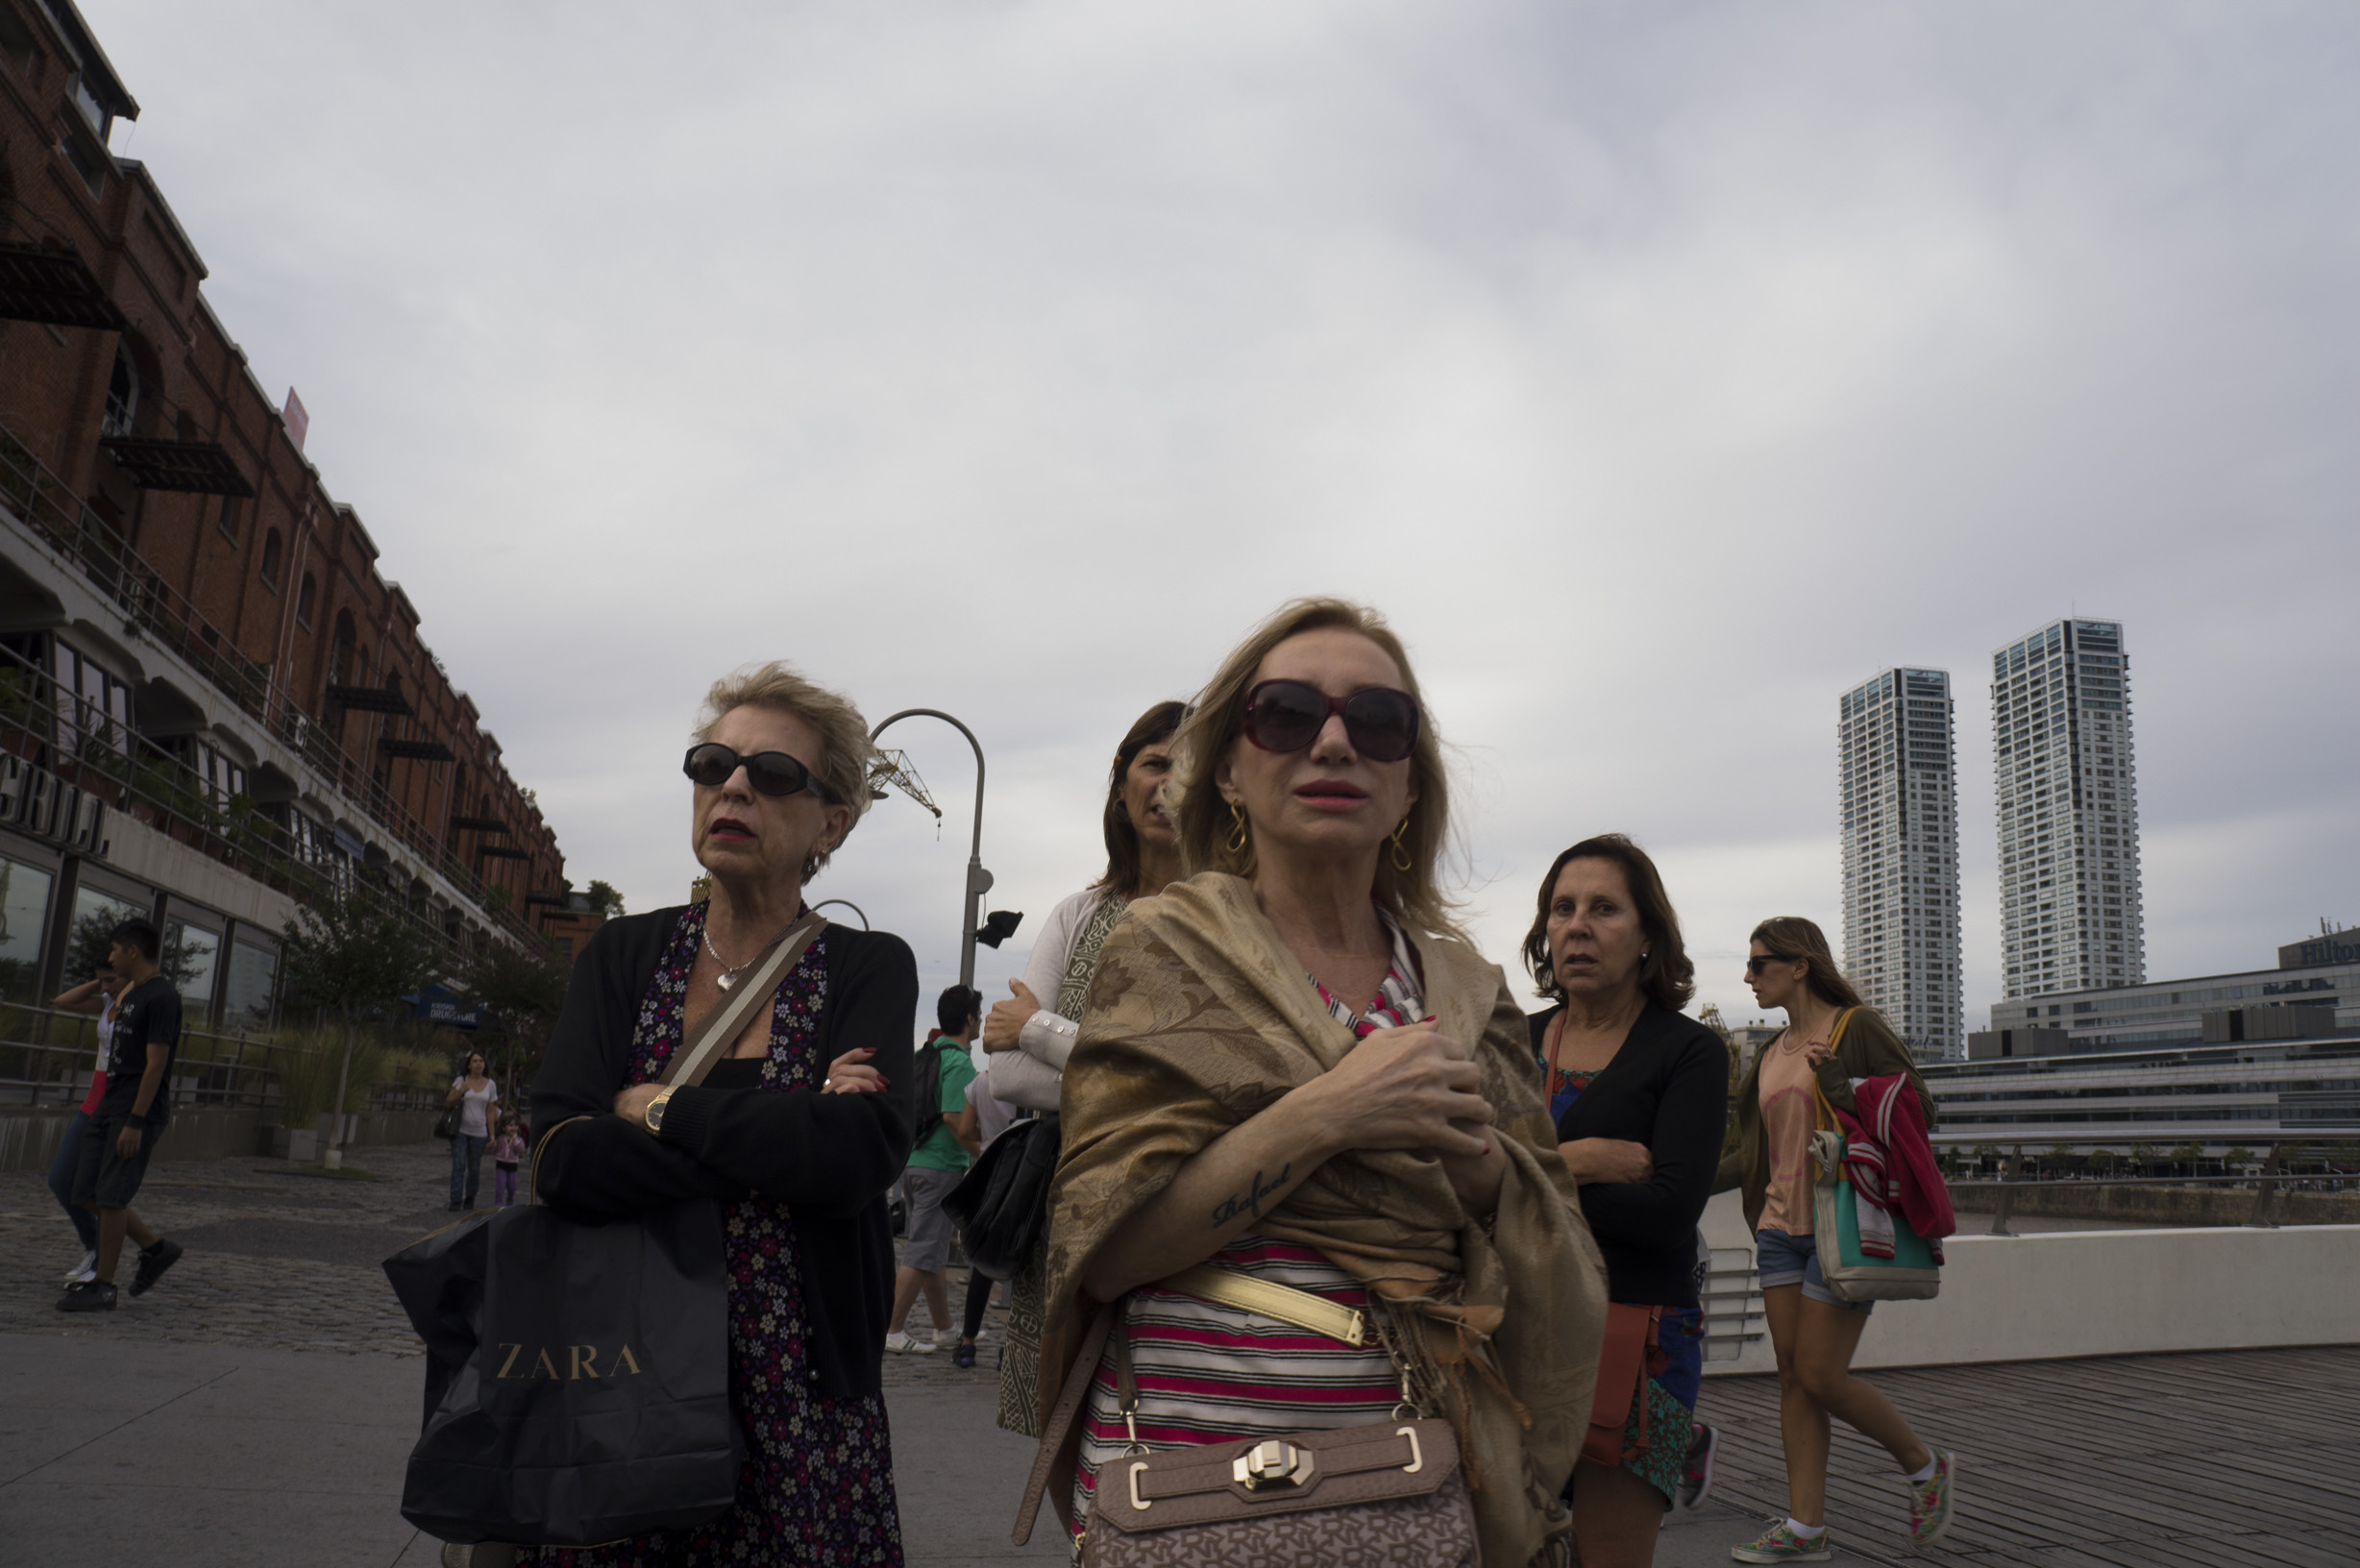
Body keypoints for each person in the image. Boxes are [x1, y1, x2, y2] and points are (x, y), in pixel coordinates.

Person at [1034, 599, 1607, 1567]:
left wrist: (1481, 1179)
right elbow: (1106, 1250)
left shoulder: (1466, 989)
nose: (1334, 743)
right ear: (1224, 769)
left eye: (1378, 722)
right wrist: (1333, 1112)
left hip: (1421, 1479)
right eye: (1287, 714)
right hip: (1184, 1480)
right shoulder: (1163, 950)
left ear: (1409, 779)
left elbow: (1548, 1240)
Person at [528, 661, 918, 1565]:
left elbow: (857, 1157)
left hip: (802, 1402)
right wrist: (787, 1132)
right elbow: (559, 1157)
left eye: (773, 774)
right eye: (712, 765)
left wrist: (650, 1108)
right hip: (618, 1374)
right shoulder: (624, 954)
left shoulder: (869, 967)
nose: (734, 785)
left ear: (831, 824)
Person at [1717, 917, 1955, 1563]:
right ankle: (1805, 1529)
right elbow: (1752, 1155)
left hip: (1840, 1225)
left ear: (1799, 965)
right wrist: (1676, 1184)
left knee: (1822, 1375)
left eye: (1759, 963)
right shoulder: (1767, 1054)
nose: (1748, 976)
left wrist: (1839, 1088)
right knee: (1793, 1376)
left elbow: (1920, 1108)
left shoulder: (1856, 1028)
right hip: (1777, 1231)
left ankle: (1922, 1465)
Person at [976, 698, 1184, 1430]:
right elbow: (1006, 1075)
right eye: (1155, 762)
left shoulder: (1234, 918)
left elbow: (1194, 1083)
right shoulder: (1078, 911)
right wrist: (1141, 1075)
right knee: (1061, 1433)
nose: (1169, 781)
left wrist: (1038, 1026)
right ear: (1121, 787)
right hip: (1064, 1207)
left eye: (1190, 766)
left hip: (1189, 1210)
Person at [1522, 835, 1729, 1568]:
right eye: (1562, 908)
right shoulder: (1516, 1043)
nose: (1577, 925)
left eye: (1604, 909)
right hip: (1516, 1333)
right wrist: (1575, 1162)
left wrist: (1519, 1186)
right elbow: (1458, 1185)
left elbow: (1668, 1215)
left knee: (1616, 1556)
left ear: (1648, 936)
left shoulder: (1691, 1052)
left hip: (1648, 1347)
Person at [57, 920, 185, 1312]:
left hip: (133, 1112)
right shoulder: (130, 996)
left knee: (111, 1197)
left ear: (133, 952)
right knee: (85, 1192)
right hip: (108, 1104)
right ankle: (155, 1248)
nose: (109, 958)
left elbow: (155, 1065)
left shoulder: (161, 997)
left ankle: (104, 1285)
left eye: (115, 950)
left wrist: (135, 1120)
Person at [887, 987, 983, 1354]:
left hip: (913, 1161)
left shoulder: (925, 1055)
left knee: (932, 1249)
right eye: (979, 1014)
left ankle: (944, 1328)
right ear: (969, 1019)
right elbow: (955, 1121)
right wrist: (984, 1153)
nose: (982, 1020)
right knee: (923, 1248)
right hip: (941, 1166)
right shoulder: (959, 1062)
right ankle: (893, 1330)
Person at [47, 964, 126, 1284]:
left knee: (98, 1189)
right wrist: (102, 982)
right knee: (60, 1179)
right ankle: (94, 1246)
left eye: (112, 979)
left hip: (117, 1101)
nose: (105, 987)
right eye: (102, 981)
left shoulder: (140, 1006)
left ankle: (108, 1257)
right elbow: (62, 1001)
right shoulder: (106, 1001)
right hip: (93, 1100)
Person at [443, 1051, 499, 1211]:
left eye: (481, 1061)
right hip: (460, 1130)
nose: (478, 1064)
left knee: (474, 1168)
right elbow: (448, 1103)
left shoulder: (491, 1085)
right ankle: (455, 1199)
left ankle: (470, 1196)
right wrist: (461, 1091)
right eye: (474, 1061)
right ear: (469, 1065)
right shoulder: (461, 1081)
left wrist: (492, 1135)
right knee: (459, 1165)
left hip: (479, 1133)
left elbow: (490, 1111)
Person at [488, 1114, 527, 1208]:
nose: (513, 1128)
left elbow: (521, 1150)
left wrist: (516, 1140)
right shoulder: (500, 1139)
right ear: (503, 1128)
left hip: (513, 1166)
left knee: (512, 1187)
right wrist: (491, 1146)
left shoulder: (519, 1139)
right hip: (501, 1165)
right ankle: (498, 1204)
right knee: (500, 1186)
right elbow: (494, 1150)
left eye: (515, 1125)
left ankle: (510, 1201)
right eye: (510, 1125)